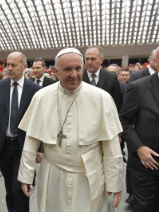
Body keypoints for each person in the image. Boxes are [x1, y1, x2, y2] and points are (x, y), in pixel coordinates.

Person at [17, 48, 123, 212]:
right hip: (52, 173)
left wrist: (114, 182)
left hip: (88, 176)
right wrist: (26, 174)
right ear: (56, 71)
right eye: (67, 69)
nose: (74, 75)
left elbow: (111, 145)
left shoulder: (102, 98)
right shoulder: (42, 97)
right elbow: (31, 139)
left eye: (78, 69)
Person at [0, 52, 41, 212]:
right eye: (7, 65)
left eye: (14, 65)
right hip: (3, 145)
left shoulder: (35, 90)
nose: (9, 68)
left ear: (24, 67)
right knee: (10, 187)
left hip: (24, 146)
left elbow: (41, 121)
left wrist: (40, 148)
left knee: (19, 187)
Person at [119, 46, 159, 211]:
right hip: (147, 165)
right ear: (155, 62)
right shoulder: (139, 87)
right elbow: (124, 121)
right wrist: (139, 148)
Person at [83, 46, 122, 111]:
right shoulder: (78, 77)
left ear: (101, 60)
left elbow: (116, 104)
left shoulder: (112, 77)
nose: (89, 62)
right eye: (87, 59)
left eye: (93, 59)